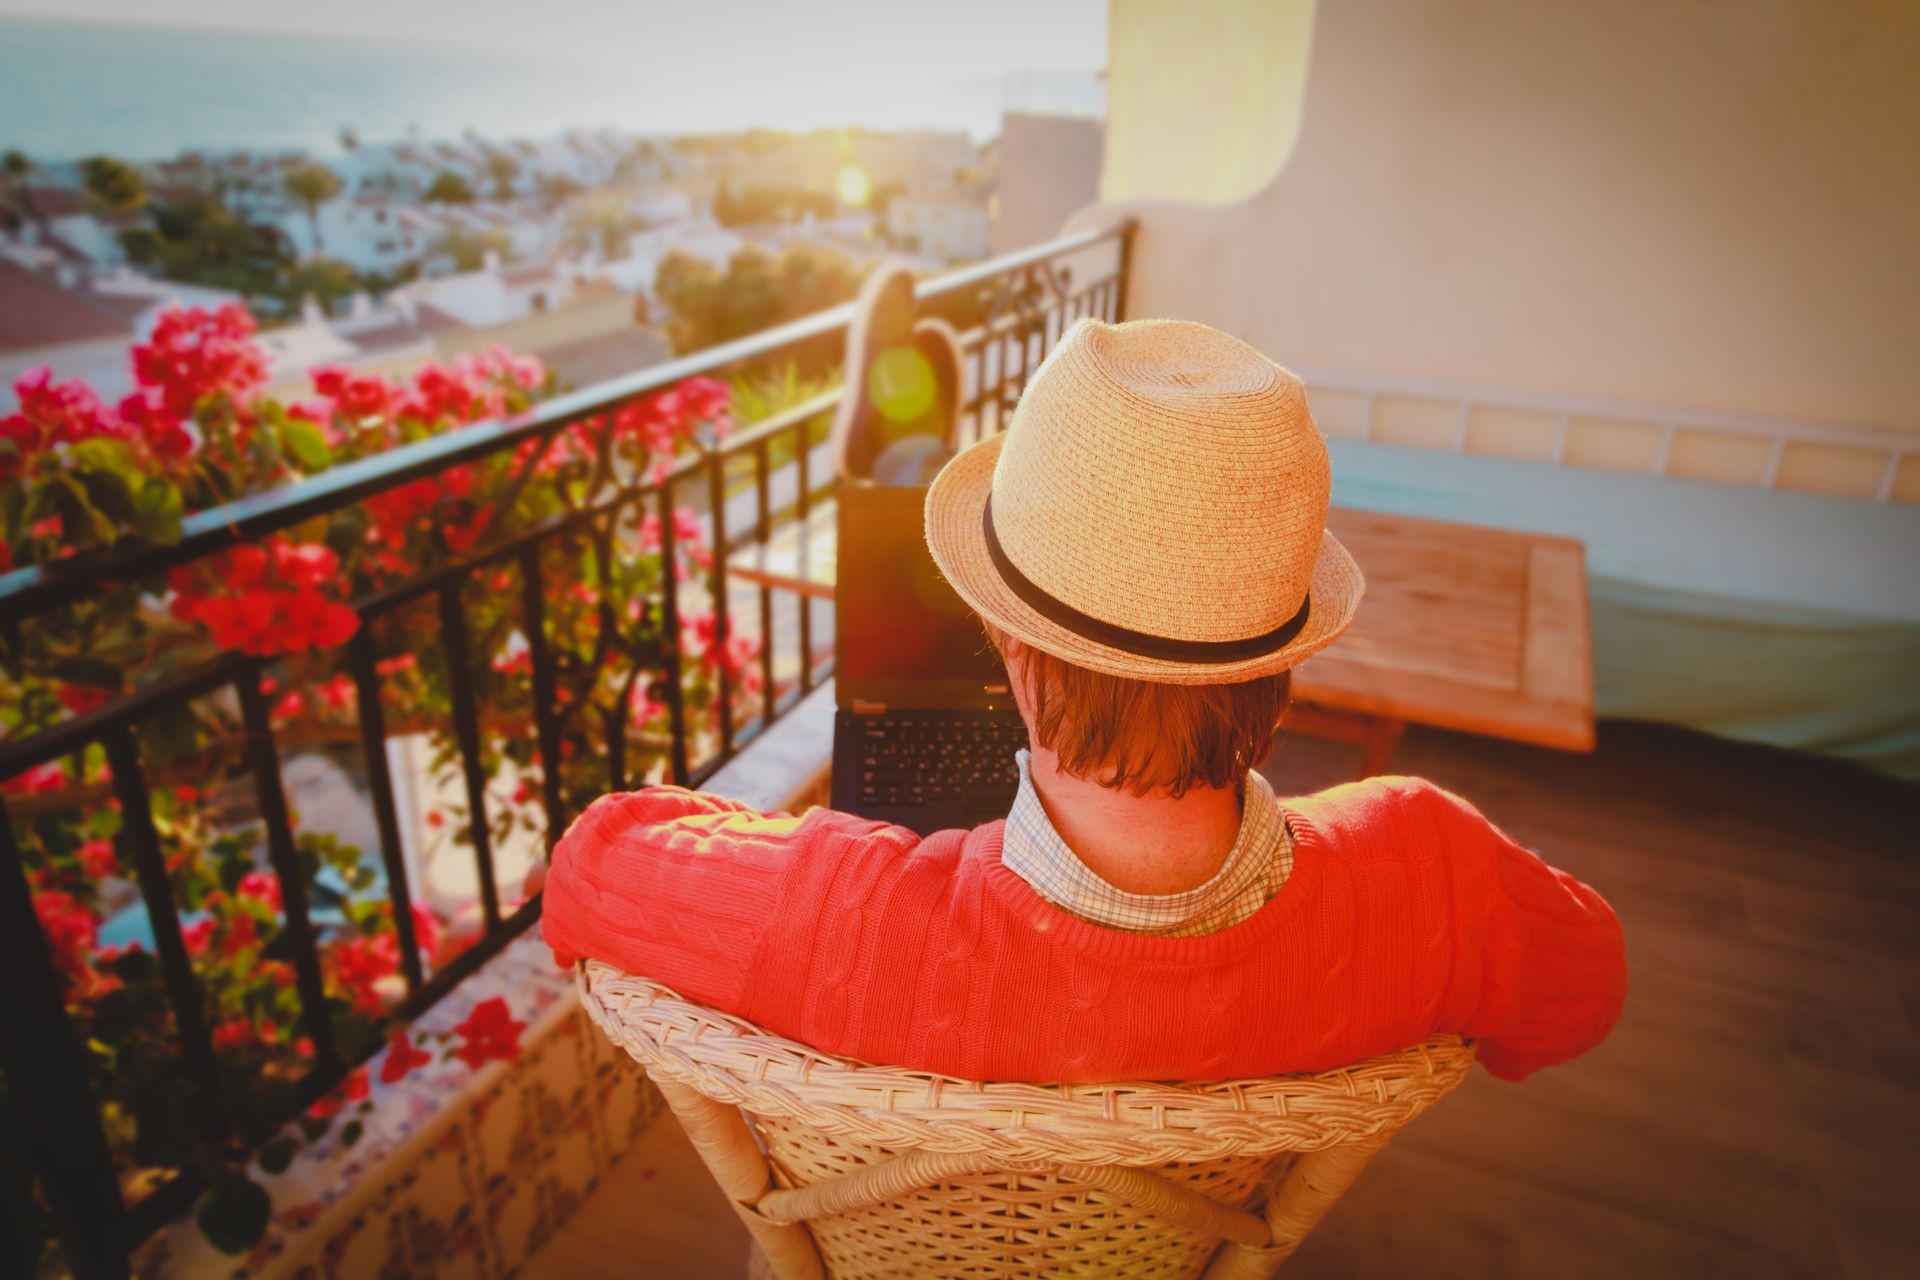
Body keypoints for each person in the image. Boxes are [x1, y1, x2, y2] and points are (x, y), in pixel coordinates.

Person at [542, 318, 1625, 1083]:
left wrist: (818, 850)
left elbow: (599, 857)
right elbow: (1585, 985)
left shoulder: (843, 922)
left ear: (1009, 639)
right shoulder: (1432, 872)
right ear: (1281, 655)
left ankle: (898, 451)